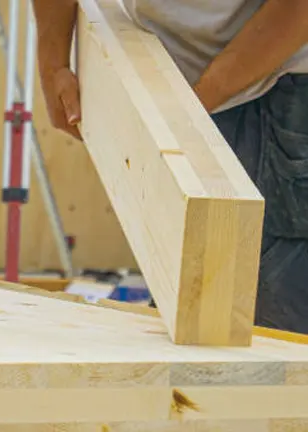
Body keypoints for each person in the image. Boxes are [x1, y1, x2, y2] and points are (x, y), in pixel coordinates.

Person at [31, 0, 308, 333]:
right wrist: (52, 62)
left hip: (279, 80)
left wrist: (192, 106)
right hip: (167, 67)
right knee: (184, 297)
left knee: (265, 330)